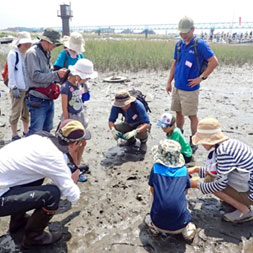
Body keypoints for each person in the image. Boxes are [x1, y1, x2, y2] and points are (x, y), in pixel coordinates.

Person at [0, 119, 91, 249]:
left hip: (4, 183)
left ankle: (17, 223)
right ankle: (34, 237)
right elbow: (73, 196)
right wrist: (75, 162)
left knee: (35, 177)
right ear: (74, 144)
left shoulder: (42, 136)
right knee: (52, 194)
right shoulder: (54, 158)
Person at [166, 16, 219, 153]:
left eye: (185, 32)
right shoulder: (178, 45)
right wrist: (169, 82)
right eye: (181, 32)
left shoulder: (199, 44)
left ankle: (194, 141)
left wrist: (201, 78)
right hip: (177, 86)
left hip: (190, 89)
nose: (183, 35)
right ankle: (179, 136)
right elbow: (174, 64)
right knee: (178, 113)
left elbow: (214, 62)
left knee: (191, 115)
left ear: (193, 29)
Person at [189, 118, 253, 223]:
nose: (201, 144)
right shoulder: (228, 144)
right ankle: (236, 200)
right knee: (211, 178)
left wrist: (197, 185)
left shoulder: (223, 151)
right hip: (247, 182)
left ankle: (245, 211)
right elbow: (218, 171)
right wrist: (197, 169)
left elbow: (220, 185)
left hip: (251, 193)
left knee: (210, 182)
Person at [144, 139, 196, 241]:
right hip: (181, 224)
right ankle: (186, 231)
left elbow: (152, 189)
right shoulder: (184, 171)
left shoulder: (155, 169)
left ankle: (153, 224)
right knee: (183, 200)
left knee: (152, 192)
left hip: (158, 223)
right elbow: (185, 193)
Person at [24, 28, 69, 136]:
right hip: (37, 98)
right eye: (54, 45)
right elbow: (35, 76)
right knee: (36, 130)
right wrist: (56, 74)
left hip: (47, 97)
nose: (54, 47)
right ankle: (25, 151)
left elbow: (48, 72)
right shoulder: (32, 53)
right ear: (46, 41)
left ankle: (41, 152)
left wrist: (59, 75)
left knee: (47, 129)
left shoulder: (46, 52)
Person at [60, 58, 97, 167]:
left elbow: (83, 99)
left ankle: (77, 163)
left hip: (81, 117)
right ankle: (74, 167)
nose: (87, 80)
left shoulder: (80, 84)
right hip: (71, 118)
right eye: (86, 78)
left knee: (83, 142)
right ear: (77, 75)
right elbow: (64, 107)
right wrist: (67, 123)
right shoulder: (65, 87)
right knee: (74, 146)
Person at [7, 32, 33, 141]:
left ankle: (25, 131)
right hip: (17, 88)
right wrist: (13, 87)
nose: (27, 45)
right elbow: (11, 72)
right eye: (25, 43)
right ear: (19, 43)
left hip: (26, 88)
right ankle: (14, 134)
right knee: (15, 111)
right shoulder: (13, 54)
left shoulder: (26, 54)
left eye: (28, 43)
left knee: (26, 111)